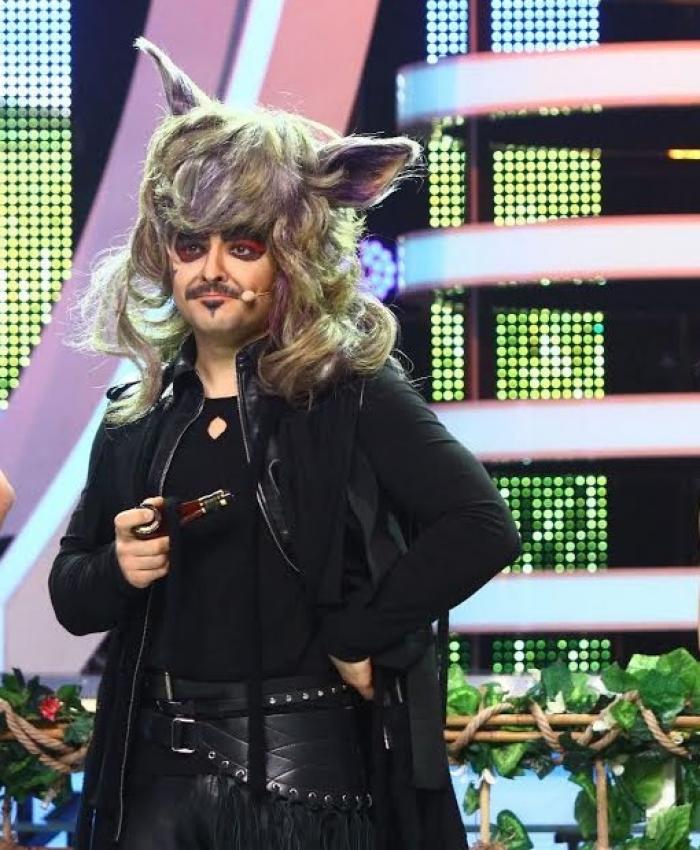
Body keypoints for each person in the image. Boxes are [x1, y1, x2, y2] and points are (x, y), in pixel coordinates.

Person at [49, 38, 521, 850]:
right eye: (191, 245)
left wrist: (359, 634)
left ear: (291, 257)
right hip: (151, 790)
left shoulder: (349, 394)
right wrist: (116, 568)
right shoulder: (138, 415)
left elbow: (481, 526)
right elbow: (71, 595)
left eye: (243, 246)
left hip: (305, 786)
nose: (212, 269)